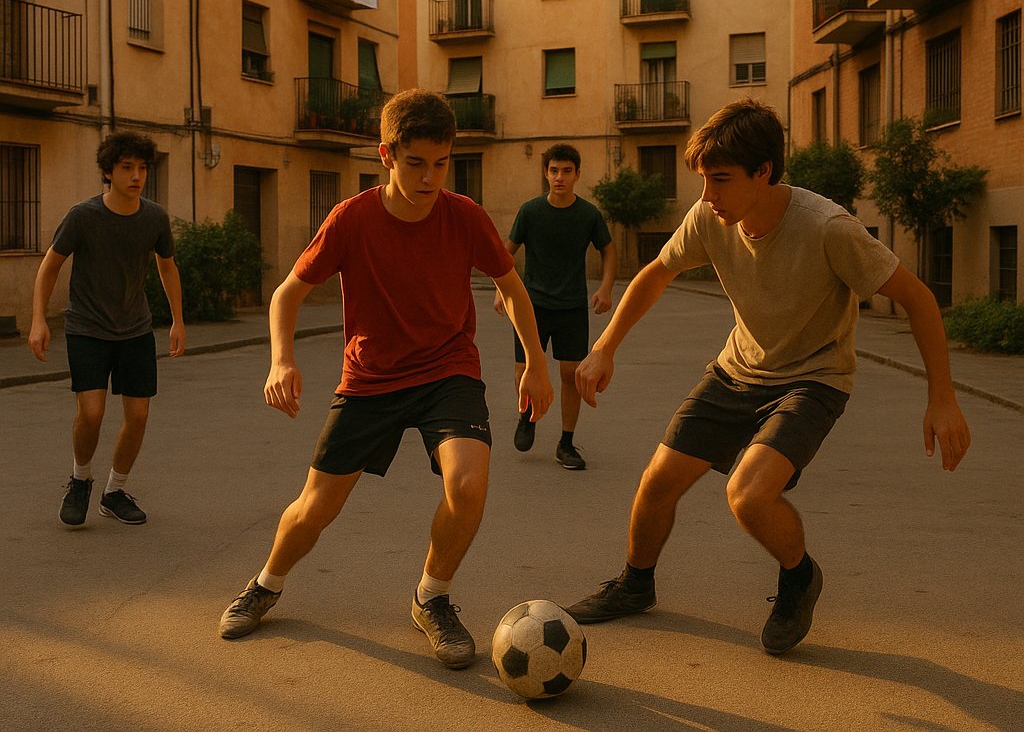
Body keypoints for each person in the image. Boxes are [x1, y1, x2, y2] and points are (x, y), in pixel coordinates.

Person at [565, 98, 971, 654]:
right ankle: (635, 585)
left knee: (749, 496)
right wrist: (604, 347)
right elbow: (656, 273)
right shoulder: (710, 217)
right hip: (737, 371)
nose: (708, 195)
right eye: (704, 180)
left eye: (721, 180)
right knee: (657, 482)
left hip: (813, 378)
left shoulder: (827, 228)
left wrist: (942, 397)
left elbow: (919, 300)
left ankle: (799, 577)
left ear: (765, 172)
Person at [218, 89, 554, 669]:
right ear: (386, 156)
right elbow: (286, 294)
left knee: (468, 485)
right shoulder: (352, 219)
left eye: (441, 163)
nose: (430, 177)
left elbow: (513, 289)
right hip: (371, 377)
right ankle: (267, 583)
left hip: (448, 367)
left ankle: (432, 597)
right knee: (314, 507)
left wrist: (536, 365)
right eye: (416, 163)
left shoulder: (464, 215)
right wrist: (280, 360)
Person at [28, 132, 186, 528]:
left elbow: (167, 267)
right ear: (108, 172)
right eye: (127, 168)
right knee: (93, 412)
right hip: (87, 327)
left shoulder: (154, 217)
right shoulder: (83, 216)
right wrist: (38, 320)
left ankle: (115, 491)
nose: (136, 176)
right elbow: (49, 267)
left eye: (142, 168)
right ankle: (80, 480)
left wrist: (178, 320)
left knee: (138, 416)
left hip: (135, 329)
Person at [494, 143, 616, 470]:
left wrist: (605, 287)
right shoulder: (530, 211)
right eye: (553, 170)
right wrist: (500, 290)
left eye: (566, 171)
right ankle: (528, 416)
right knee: (524, 369)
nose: (559, 177)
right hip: (532, 305)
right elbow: (505, 253)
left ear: (577, 175)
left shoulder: (588, 214)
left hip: (572, 306)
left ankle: (566, 443)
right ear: (546, 173)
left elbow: (608, 250)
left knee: (571, 374)